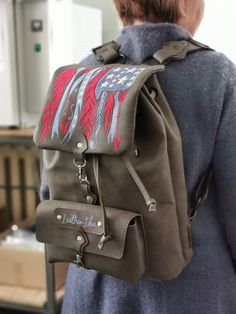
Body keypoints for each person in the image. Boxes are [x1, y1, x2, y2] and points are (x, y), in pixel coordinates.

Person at [40, 0, 236, 313]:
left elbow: (49, 193)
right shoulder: (220, 76)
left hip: (92, 291)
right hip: (191, 294)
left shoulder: (83, 69)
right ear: (187, 4)